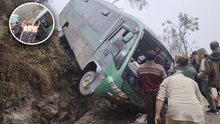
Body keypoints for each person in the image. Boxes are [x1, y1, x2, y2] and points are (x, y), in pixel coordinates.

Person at [137, 50, 167, 124]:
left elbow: (138, 81)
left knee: (150, 114)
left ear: (146, 57)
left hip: (146, 94)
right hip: (158, 93)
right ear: (155, 57)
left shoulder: (139, 69)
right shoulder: (160, 68)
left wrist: (141, 89)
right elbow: (165, 81)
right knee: (161, 113)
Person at [199, 41, 220, 114]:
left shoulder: (208, 58)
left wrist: (198, 76)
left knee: (209, 93)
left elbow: (207, 72)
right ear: (219, 47)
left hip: (213, 79)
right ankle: (217, 106)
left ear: (211, 48)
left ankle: (214, 109)